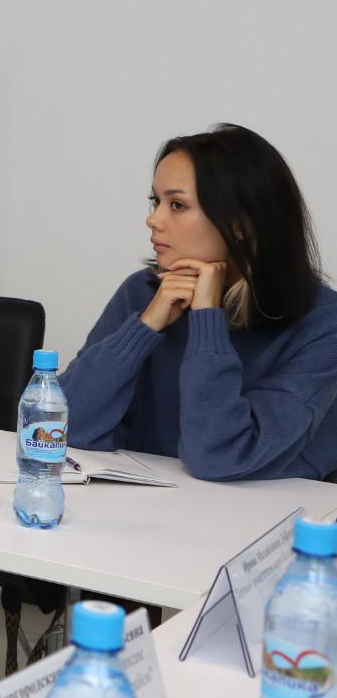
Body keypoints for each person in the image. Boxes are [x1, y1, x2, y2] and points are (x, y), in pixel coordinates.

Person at [62, 123, 337, 481]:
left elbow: (220, 457)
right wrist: (145, 327)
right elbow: (57, 429)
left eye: (177, 205)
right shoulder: (144, 293)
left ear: (240, 224)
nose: (153, 219)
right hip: (149, 505)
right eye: (156, 201)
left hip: (272, 511)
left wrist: (207, 318)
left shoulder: (324, 323)